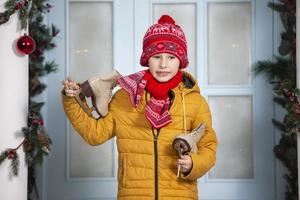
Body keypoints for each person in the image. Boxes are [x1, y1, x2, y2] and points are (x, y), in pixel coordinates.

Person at [62, 15, 217, 200]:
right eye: (156, 56)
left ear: (181, 61)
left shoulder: (195, 102)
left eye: (171, 57)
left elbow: (208, 147)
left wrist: (194, 164)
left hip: (180, 194)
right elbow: (95, 134)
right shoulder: (125, 97)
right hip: (133, 194)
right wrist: (71, 100)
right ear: (146, 58)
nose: (163, 64)